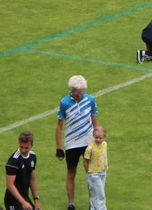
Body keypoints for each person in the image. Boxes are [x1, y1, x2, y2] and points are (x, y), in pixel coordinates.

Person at [56, 75, 100, 210]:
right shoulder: (64, 103)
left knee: (91, 174)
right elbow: (59, 126)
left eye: (82, 91)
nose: (80, 94)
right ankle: (71, 202)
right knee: (71, 172)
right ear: (72, 90)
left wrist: (99, 139)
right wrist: (59, 147)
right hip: (72, 143)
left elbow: (94, 120)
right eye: (78, 92)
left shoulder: (90, 100)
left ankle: (93, 202)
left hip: (88, 142)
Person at [5, 131, 41, 210]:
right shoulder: (13, 161)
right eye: (21, 147)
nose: (23, 150)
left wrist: (36, 200)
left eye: (26, 147)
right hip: (13, 200)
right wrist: (23, 202)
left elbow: (32, 179)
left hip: (24, 196)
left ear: (31, 145)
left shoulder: (32, 156)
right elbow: (10, 185)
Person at [83, 126, 108, 210]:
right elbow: (85, 160)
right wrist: (88, 173)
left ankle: (93, 208)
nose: (98, 139)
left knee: (95, 194)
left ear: (104, 137)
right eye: (96, 137)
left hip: (103, 172)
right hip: (94, 174)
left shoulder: (104, 144)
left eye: (100, 138)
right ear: (93, 136)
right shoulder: (90, 148)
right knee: (100, 194)